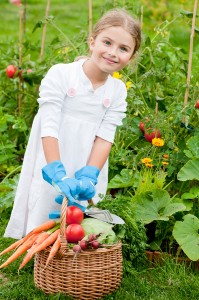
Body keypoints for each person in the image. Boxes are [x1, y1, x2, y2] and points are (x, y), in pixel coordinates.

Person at [4, 8, 141, 239]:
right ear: (92, 41)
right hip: (53, 151)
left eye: (123, 49)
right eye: (106, 42)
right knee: (47, 196)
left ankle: (73, 244)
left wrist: (90, 174)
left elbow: (105, 137)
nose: (112, 53)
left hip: (88, 156)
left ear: (132, 56)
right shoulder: (62, 75)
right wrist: (57, 171)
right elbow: (48, 127)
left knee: (81, 209)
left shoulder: (117, 91)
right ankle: (39, 239)